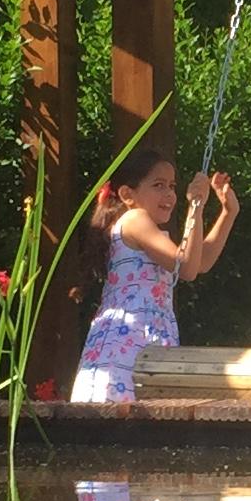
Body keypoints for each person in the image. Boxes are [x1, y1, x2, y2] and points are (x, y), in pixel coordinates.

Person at [68, 150, 239, 405]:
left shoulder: (146, 230)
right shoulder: (136, 220)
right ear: (128, 195)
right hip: (126, 343)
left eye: (171, 186)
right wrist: (196, 208)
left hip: (144, 338)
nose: (169, 194)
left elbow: (198, 262)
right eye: (158, 185)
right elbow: (187, 268)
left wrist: (228, 212)